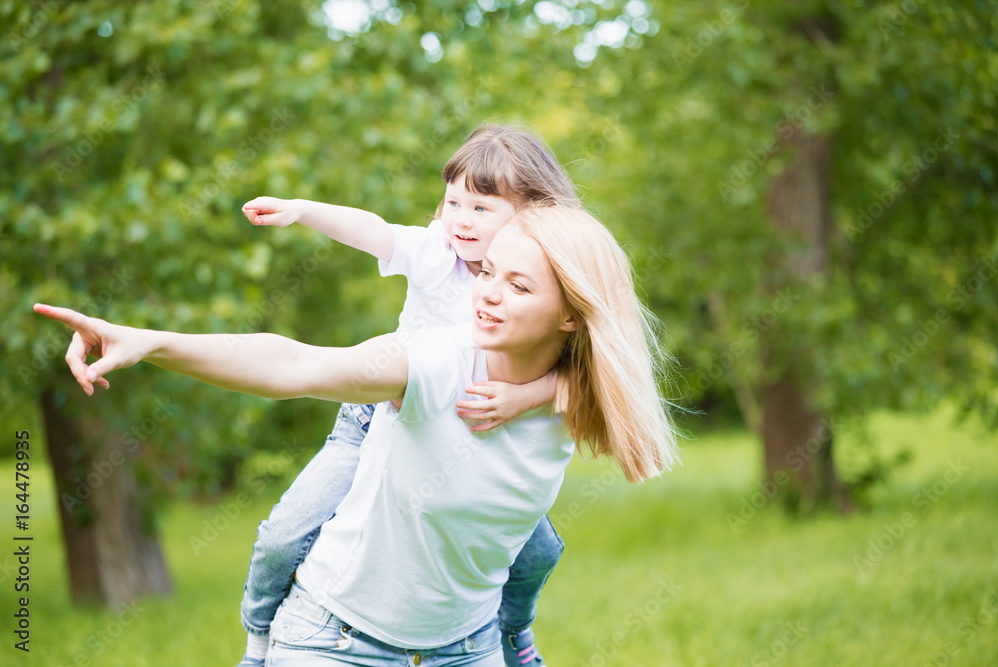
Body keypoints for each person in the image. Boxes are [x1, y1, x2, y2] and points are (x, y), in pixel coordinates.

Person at [35, 204, 680, 666]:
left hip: (469, 646)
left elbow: (619, 379)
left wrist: (532, 394)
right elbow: (294, 364)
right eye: (487, 273)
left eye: (517, 285)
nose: (486, 294)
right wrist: (151, 342)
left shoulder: (578, 390)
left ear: (570, 315)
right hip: (336, 641)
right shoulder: (435, 361)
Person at [237, 124, 580, 667]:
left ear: (532, 215)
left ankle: (515, 635)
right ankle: (259, 636)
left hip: (472, 438)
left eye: (482, 209)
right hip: (377, 423)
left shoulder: (541, 288)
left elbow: (590, 375)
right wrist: (302, 209)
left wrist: (526, 397)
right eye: (453, 203)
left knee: (538, 551)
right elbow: (372, 230)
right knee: (285, 532)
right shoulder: (434, 251)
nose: (461, 220)